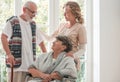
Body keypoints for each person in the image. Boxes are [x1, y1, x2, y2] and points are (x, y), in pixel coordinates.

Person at [40, 1, 87, 81]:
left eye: (67, 12)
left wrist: (73, 56)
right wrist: (38, 31)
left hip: (70, 62)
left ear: (74, 13)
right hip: (58, 62)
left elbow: (83, 49)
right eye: (64, 12)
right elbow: (50, 38)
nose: (64, 15)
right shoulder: (62, 25)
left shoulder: (80, 28)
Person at [1, 1, 46, 82]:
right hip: (16, 66)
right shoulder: (13, 21)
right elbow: (3, 37)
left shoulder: (33, 24)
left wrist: (46, 59)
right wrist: (8, 54)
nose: (34, 15)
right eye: (32, 12)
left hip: (30, 68)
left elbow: (41, 43)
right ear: (24, 9)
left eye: (35, 13)